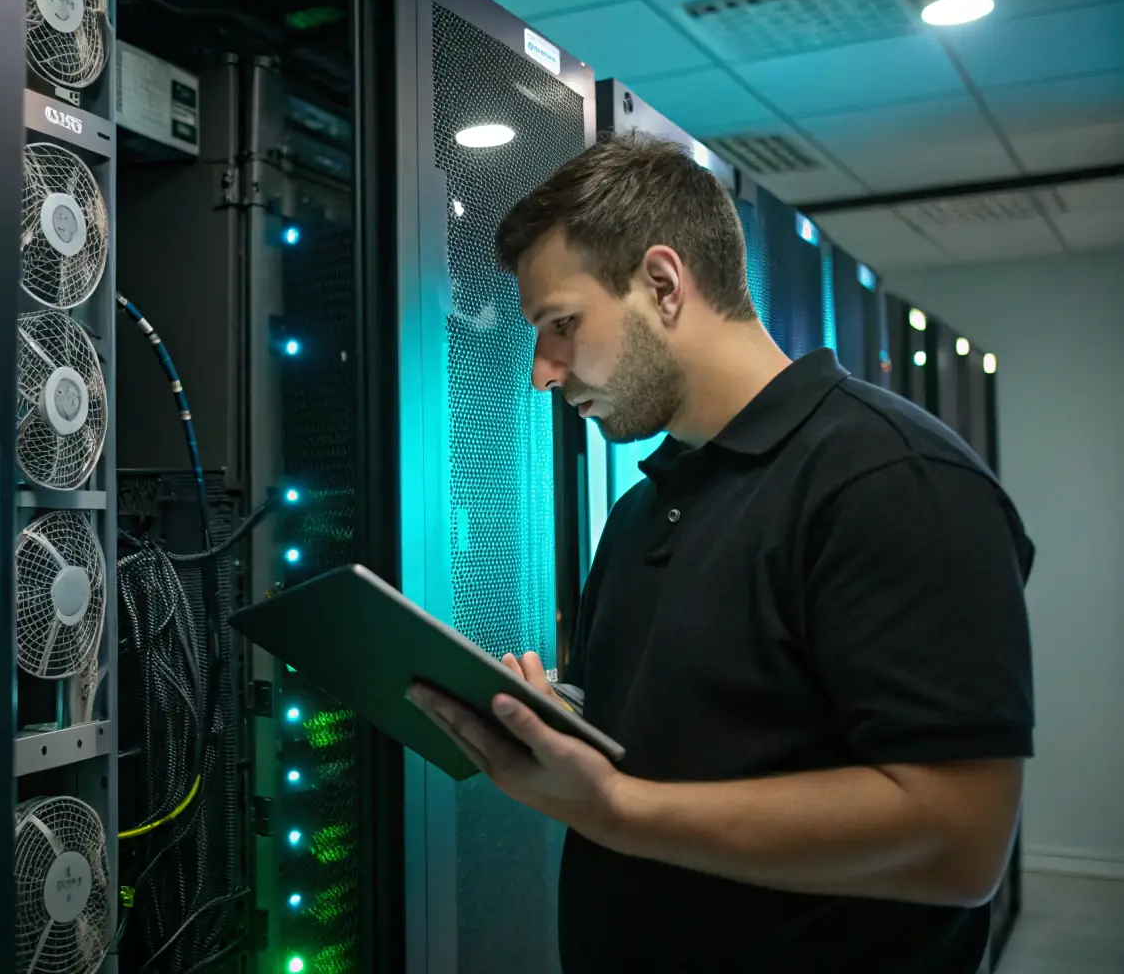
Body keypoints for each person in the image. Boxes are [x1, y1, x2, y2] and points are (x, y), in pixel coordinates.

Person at [407, 132, 1035, 973]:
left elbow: (959, 841)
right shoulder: (642, 509)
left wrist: (614, 808)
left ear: (663, 284)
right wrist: (557, 724)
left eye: (561, 324)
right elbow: (702, 733)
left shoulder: (892, 479)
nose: (542, 373)